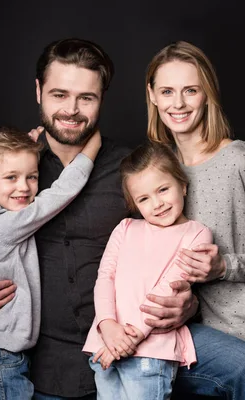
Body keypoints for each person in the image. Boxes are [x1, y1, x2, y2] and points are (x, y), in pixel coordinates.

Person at [0, 37, 245, 399]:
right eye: (59, 94)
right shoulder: (11, 170)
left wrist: (189, 303)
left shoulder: (130, 168)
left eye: (86, 97)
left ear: (102, 99)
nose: (71, 110)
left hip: (139, 335)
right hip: (42, 356)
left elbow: (178, 240)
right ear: (38, 91)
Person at [145, 40, 245, 395]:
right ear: (152, 95)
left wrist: (223, 267)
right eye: (167, 91)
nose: (178, 104)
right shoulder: (157, 166)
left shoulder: (240, 160)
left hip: (241, 337)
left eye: (190, 90)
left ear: (207, 94)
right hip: (174, 344)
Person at [0, 126, 101, 399]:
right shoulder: (3, 225)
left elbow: (13, 175)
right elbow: (61, 193)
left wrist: (28, 150)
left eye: (32, 176)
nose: (24, 187)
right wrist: (91, 148)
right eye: (11, 177)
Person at [82, 141, 213, 399]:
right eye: (144, 198)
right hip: (105, 345)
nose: (157, 204)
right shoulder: (126, 228)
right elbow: (105, 277)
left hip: (150, 352)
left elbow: (168, 289)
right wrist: (107, 325)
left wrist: (129, 339)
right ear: (134, 203)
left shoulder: (197, 234)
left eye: (163, 190)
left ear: (182, 185)